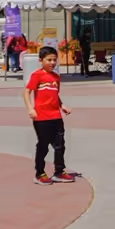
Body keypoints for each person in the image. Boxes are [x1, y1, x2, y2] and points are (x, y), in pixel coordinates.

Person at [23, 46, 77, 185]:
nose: (52, 63)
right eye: (49, 60)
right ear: (41, 60)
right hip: (41, 117)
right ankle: (39, 173)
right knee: (43, 146)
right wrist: (30, 108)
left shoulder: (56, 77)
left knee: (60, 145)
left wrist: (62, 105)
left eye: (54, 60)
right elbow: (27, 92)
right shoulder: (37, 75)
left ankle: (59, 171)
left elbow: (55, 94)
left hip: (56, 116)